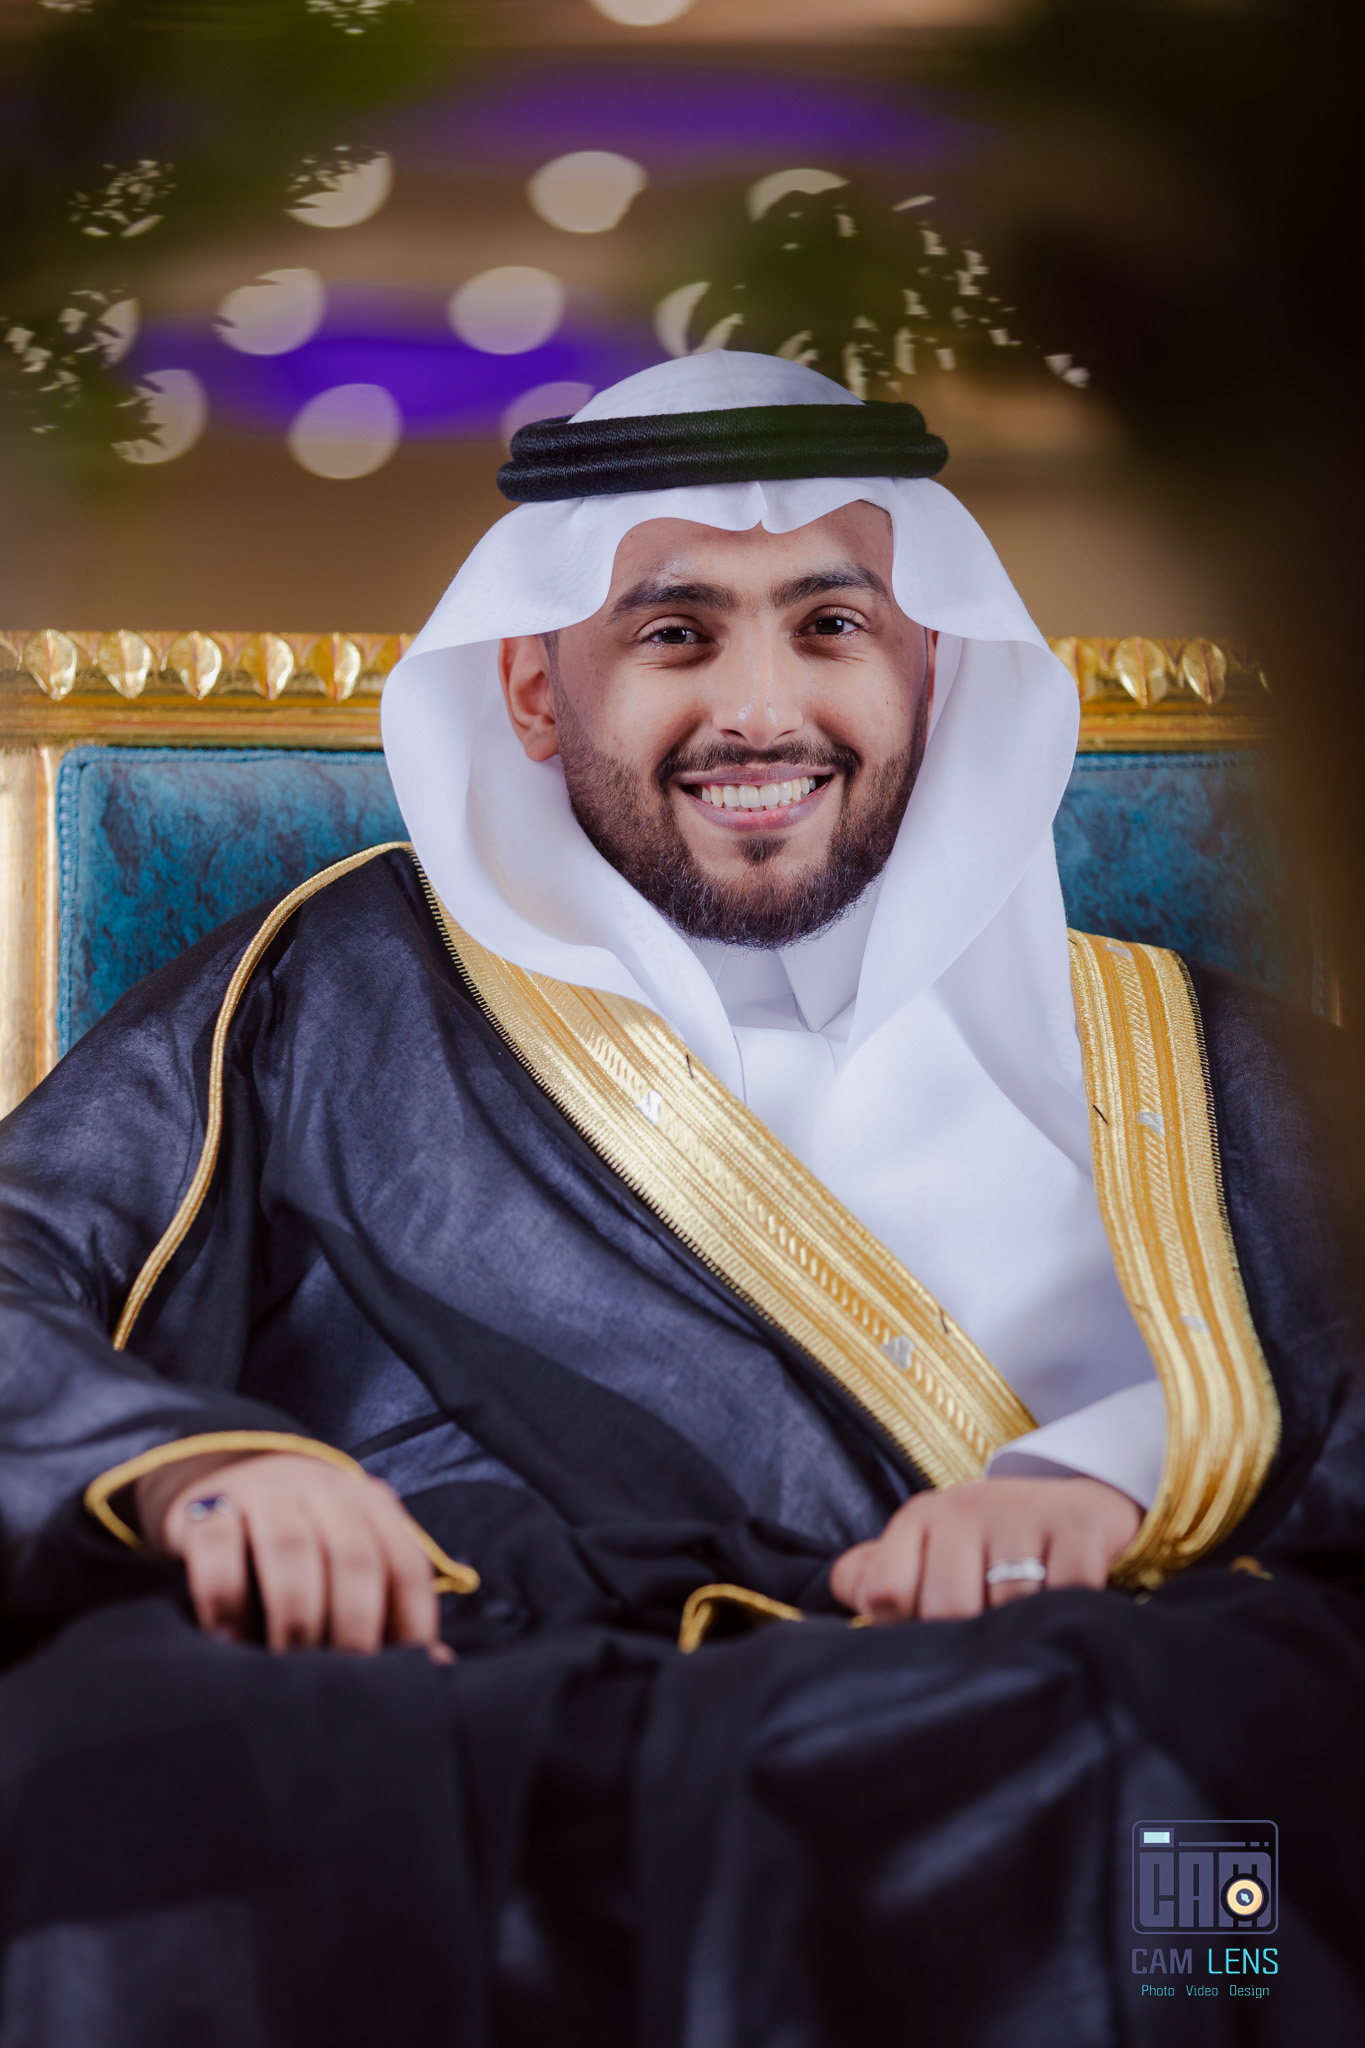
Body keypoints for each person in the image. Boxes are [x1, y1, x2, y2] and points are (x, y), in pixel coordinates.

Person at [0, 352, 1362, 2047]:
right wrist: (201, 1470)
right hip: (451, 1711)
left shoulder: (1180, 1052)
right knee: (138, 1756)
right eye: (674, 633)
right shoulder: (337, 984)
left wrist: (1107, 1485)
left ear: (929, 665)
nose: (760, 712)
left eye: (830, 625)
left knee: (1206, 1801)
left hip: (1011, 1712)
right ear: (530, 690)